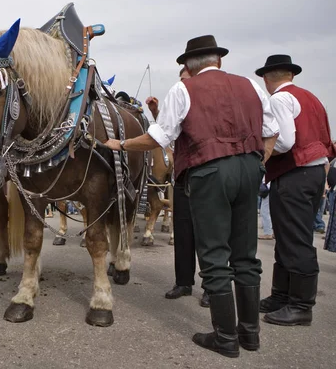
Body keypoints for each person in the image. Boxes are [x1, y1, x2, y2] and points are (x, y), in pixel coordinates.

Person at [106, 35, 279, 357]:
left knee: (213, 254)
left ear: (187, 65)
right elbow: (272, 130)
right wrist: (259, 161)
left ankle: (226, 337)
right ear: (219, 61)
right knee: (245, 255)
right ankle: (250, 334)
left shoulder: (183, 89)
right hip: (249, 168)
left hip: (209, 171)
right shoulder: (250, 86)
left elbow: (160, 136)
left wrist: (122, 145)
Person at [256, 54, 336, 327]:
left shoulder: (279, 99)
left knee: (296, 240)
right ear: (290, 75)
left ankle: (301, 305)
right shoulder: (311, 98)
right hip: (312, 172)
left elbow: (286, 140)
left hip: (293, 173)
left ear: (267, 78)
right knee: (290, 237)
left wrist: (261, 149)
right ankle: (282, 295)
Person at [153, 67, 209, 308]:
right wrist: (155, 112)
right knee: (183, 230)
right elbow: (167, 132)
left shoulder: (207, 101)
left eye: (186, 78)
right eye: (181, 79)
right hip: (183, 173)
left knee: (208, 234)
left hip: (207, 173)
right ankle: (183, 282)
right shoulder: (181, 97)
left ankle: (211, 286)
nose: (183, 82)